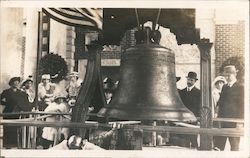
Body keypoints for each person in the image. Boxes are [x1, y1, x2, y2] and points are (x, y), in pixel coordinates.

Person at [214, 65, 244, 151]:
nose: (226, 77)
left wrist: (240, 122)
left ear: (235, 74)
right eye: (225, 75)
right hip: (223, 120)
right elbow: (220, 102)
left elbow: (242, 106)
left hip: (234, 122)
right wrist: (216, 113)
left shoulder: (240, 87)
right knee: (218, 146)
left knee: (234, 146)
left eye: (229, 75)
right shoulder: (225, 87)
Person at [0, 77, 32, 148]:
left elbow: (25, 103)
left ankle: (14, 144)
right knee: (7, 128)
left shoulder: (21, 93)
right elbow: (1, 100)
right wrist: (6, 103)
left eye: (17, 82)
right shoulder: (6, 92)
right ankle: (7, 145)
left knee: (15, 128)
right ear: (11, 83)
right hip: (8, 112)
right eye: (15, 82)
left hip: (17, 112)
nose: (16, 84)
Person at [179, 71, 201, 148]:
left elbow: (199, 107)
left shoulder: (199, 93)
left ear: (195, 81)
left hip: (193, 119)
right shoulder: (182, 92)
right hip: (184, 119)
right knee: (184, 140)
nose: (189, 82)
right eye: (188, 79)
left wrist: (198, 119)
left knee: (193, 139)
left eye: (191, 80)